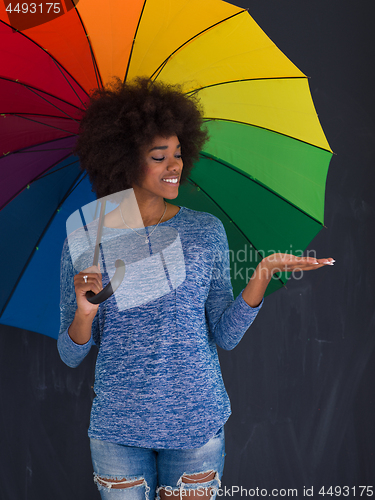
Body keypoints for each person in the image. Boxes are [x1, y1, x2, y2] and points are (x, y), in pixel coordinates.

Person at [58, 77, 334, 499]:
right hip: (118, 431)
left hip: (196, 425)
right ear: (123, 159)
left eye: (179, 154)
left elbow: (224, 333)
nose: (175, 167)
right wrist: (84, 313)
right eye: (159, 156)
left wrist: (261, 275)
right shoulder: (84, 236)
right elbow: (71, 352)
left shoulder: (204, 231)